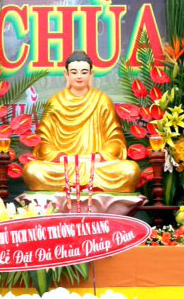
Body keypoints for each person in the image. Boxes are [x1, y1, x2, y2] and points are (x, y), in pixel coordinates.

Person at [23, 50, 140, 192]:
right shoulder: (55, 102)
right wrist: (62, 158)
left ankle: (80, 184)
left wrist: (98, 157)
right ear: (66, 74)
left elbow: (116, 139)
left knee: (131, 171)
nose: (79, 76)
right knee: (32, 170)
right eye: (74, 72)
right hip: (65, 165)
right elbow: (43, 142)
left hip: (96, 165)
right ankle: (83, 184)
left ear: (91, 74)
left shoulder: (102, 101)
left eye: (84, 72)